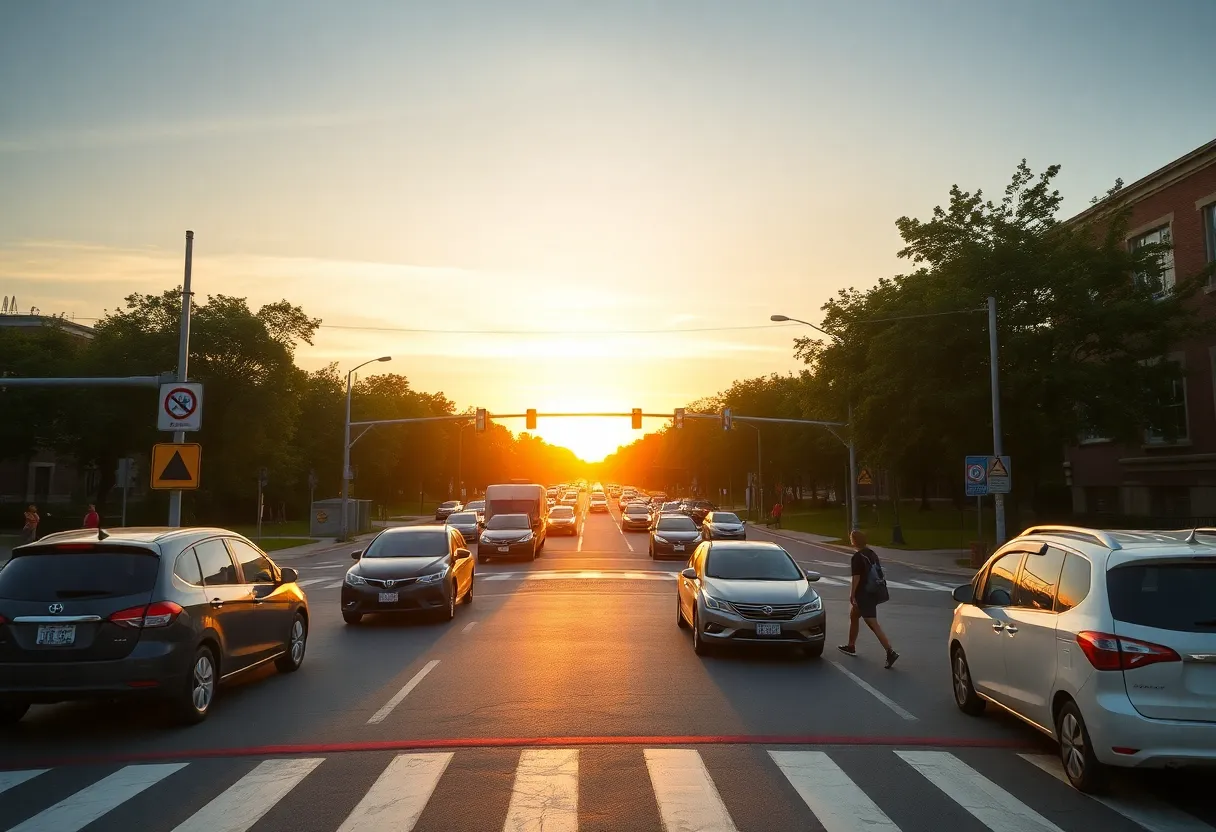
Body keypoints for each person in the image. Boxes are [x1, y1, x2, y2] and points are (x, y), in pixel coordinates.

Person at [838, 530, 899, 668]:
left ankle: (890, 651)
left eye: (851, 538)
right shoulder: (872, 553)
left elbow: (856, 578)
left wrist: (852, 594)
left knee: (872, 623)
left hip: (864, 594)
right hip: (874, 590)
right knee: (854, 615)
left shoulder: (857, 557)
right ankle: (851, 645)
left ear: (854, 541)